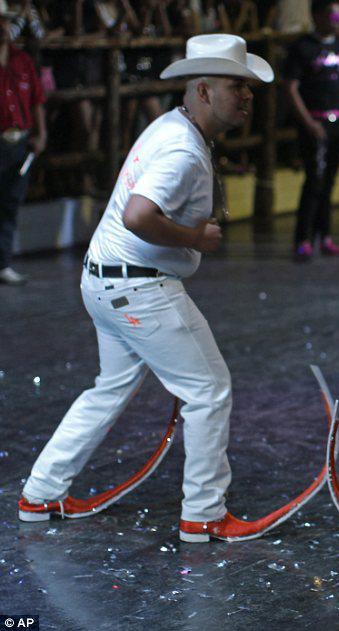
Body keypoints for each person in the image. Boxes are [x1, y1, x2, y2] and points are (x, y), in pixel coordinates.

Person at [18, 34, 278, 542]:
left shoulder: (172, 126)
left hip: (104, 280)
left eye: (248, 86)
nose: (247, 95)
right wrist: (194, 237)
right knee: (208, 390)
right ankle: (203, 513)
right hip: (138, 289)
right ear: (203, 91)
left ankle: (41, 492)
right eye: (236, 85)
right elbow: (139, 215)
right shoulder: (183, 149)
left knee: (110, 387)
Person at [284, 0, 339, 261]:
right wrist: (309, 123)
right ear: (317, 15)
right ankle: (303, 239)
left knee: (330, 180)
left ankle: (325, 237)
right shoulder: (302, 47)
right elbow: (291, 88)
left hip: (338, 122)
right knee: (314, 179)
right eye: (331, 15)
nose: (336, 21)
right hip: (315, 123)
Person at [0, 0, 47, 286]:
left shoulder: (22, 60)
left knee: (10, 203)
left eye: (5, 21)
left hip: (18, 141)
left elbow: (37, 99)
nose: (3, 27)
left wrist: (40, 133)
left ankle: (3, 263)